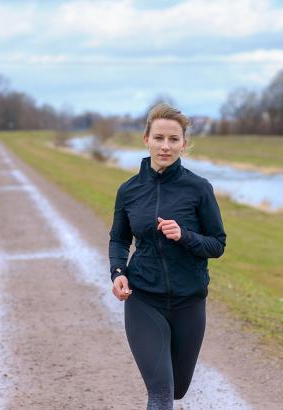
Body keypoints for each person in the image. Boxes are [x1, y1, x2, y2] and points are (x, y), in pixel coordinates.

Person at [109, 103, 227, 409]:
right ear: (145, 139)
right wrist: (118, 272)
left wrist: (184, 235)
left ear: (184, 144)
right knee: (160, 392)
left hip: (189, 300)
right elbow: (119, 239)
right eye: (158, 137)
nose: (165, 146)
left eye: (173, 139)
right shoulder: (129, 191)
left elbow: (217, 244)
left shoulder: (199, 189)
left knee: (177, 389)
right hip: (143, 297)